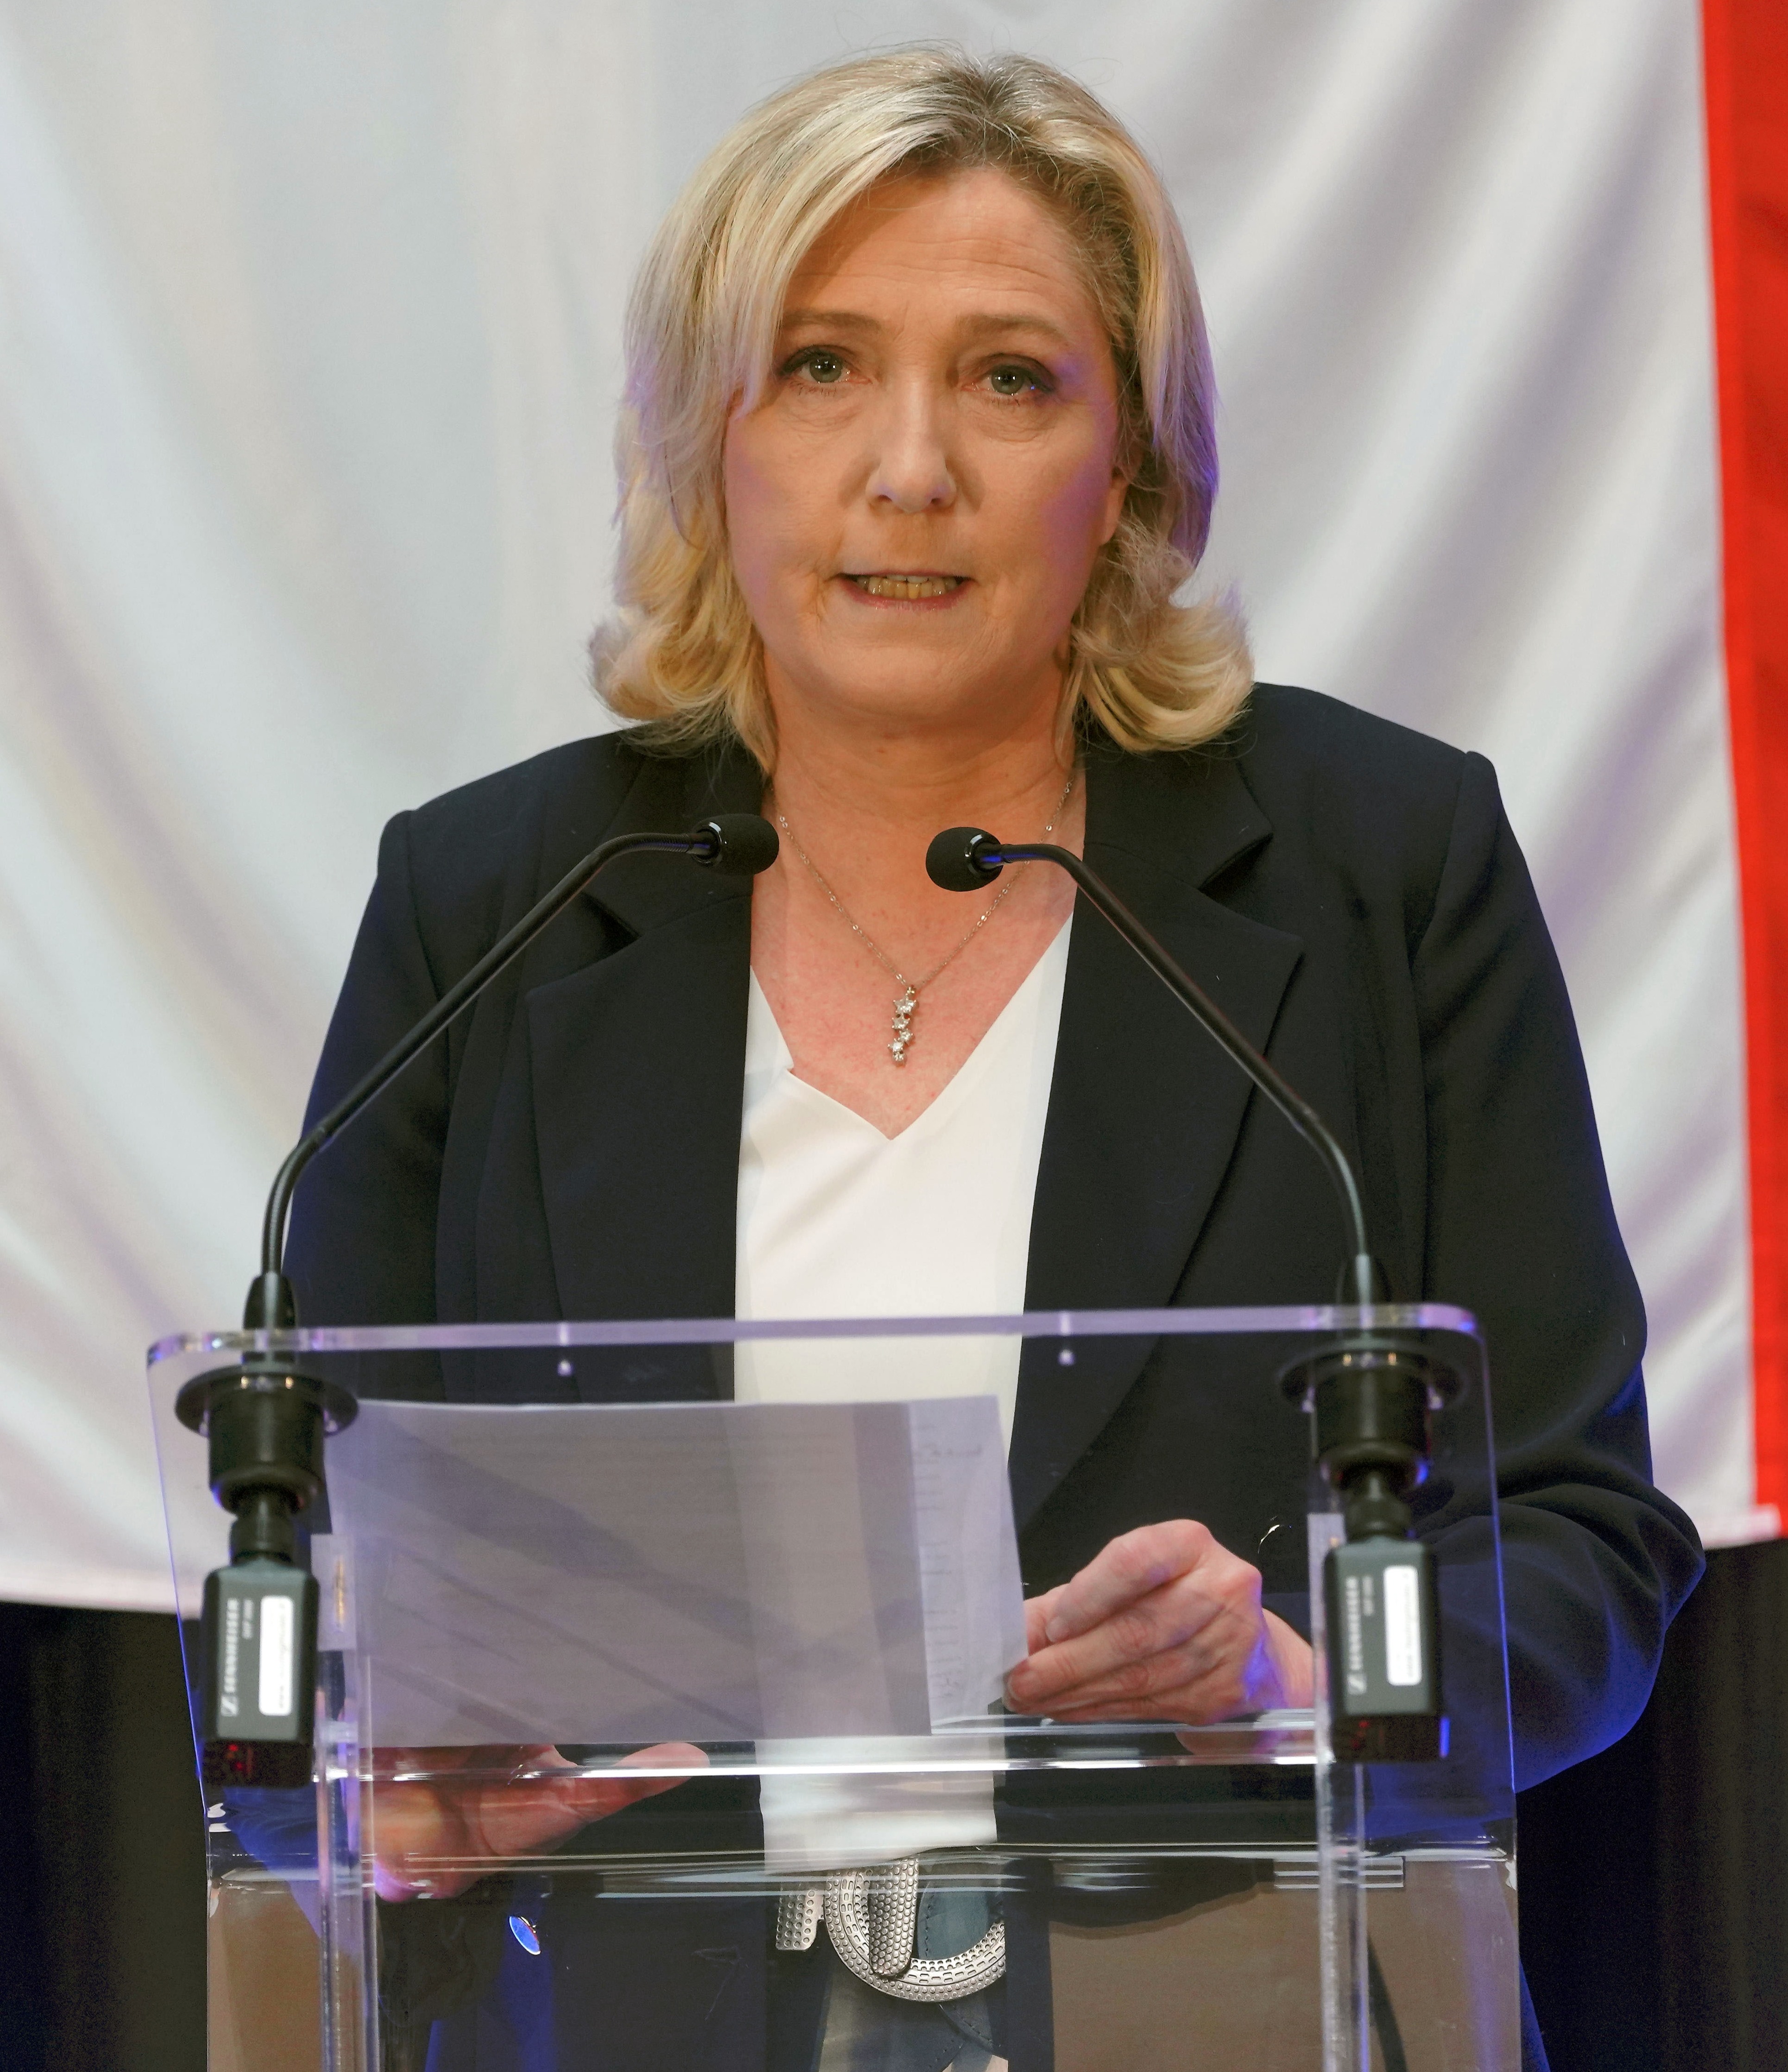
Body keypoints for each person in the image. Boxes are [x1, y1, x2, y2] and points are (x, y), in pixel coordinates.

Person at [285, 45, 1701, 2072]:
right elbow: (328, 1546)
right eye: (819, 366)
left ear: (1123, 462)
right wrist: (393, 1782)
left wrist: (1298, 1674)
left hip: (1227, 2013)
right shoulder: (495, 902)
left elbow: (1575, 1539)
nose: (909, 467)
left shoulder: (1376, 868)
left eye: (1010, 377)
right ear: (707, 443)